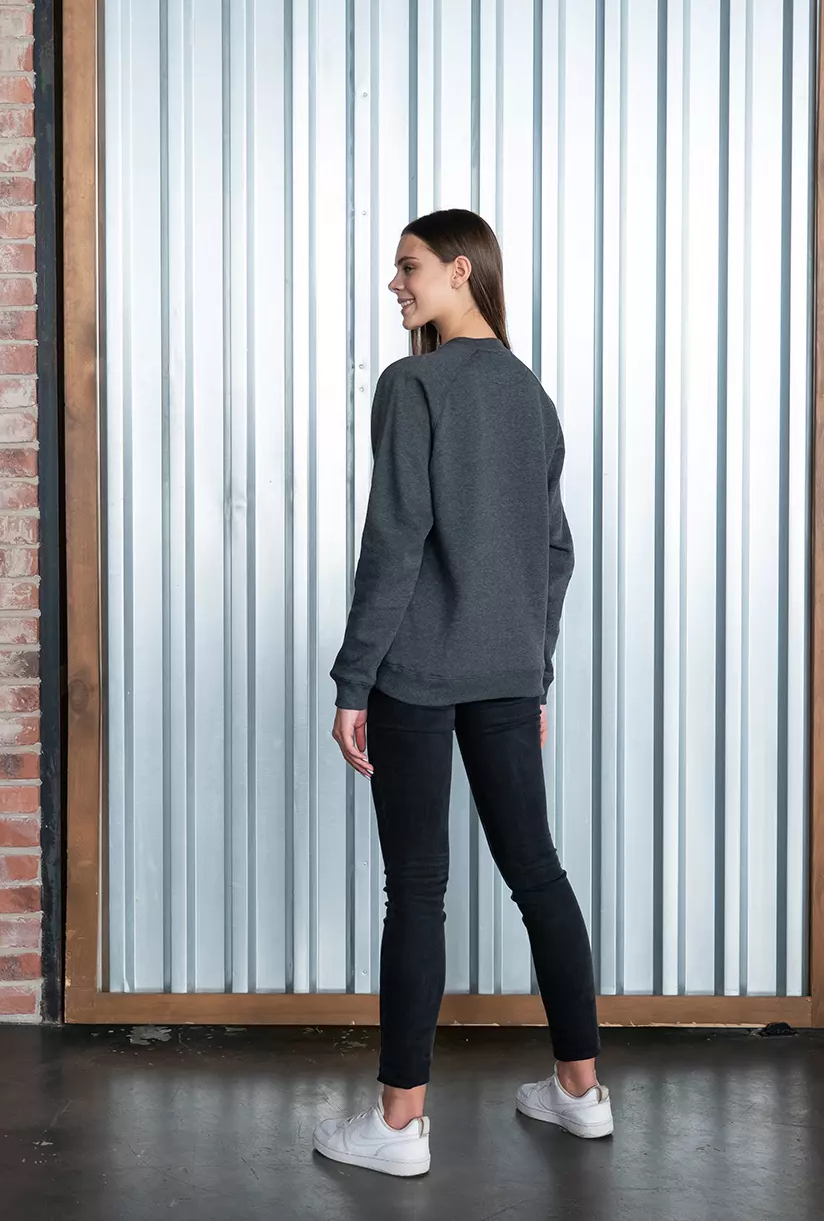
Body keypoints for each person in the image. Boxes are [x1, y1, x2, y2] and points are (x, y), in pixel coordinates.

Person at [313, 209, 611, 1179]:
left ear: (458, 271)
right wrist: (533, 668)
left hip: (417, 676)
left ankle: (400, 1125)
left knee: (417, 890)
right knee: (539, 874)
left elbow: (395, 541)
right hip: (507, 676)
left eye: (408, 267)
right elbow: (555, 551)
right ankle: (581, 1093)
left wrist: (354, 678)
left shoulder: (414, 385)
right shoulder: (530, 395)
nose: (394, 284)